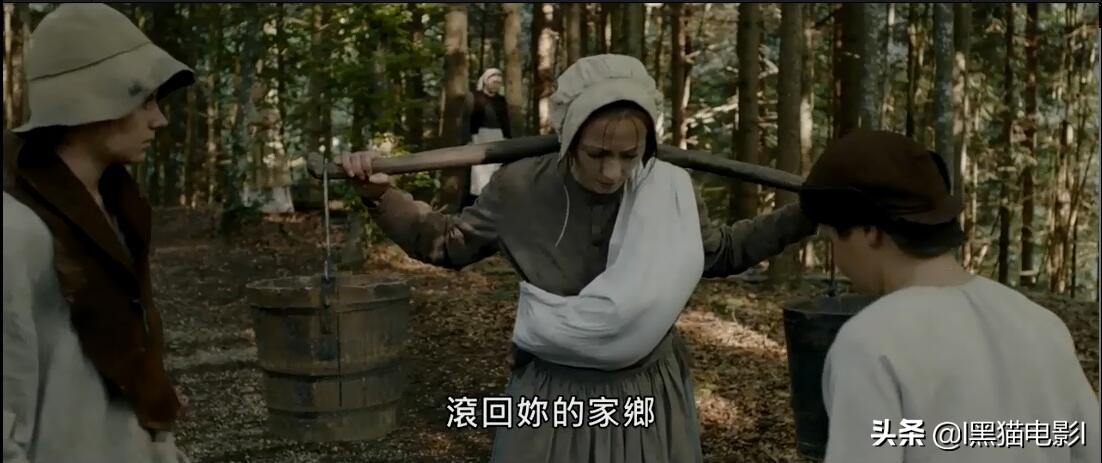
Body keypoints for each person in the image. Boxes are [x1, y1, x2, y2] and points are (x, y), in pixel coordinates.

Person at [339, 54, 817, 463]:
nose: (612, 172)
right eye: (597, 153)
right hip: (553, 393)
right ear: (569, 138)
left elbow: (722, 252)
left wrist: (808, 213)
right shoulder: (520, 188)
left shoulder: (668, 189)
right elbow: (444, 243)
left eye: (629, 155)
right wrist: (379, 195)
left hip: (647, 392)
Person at [799, 129, 1102, 463]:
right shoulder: (1042, 324)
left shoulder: (869, 344)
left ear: (869, 231)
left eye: (832, 240)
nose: (839, 262)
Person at [3, 4, 195, 463]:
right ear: (92, 101)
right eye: (144, 100)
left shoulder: (117, 207)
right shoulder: (16, 231)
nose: (159, 120)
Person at [466, 68, 512, 201]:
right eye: (494, 82)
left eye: (498, 83)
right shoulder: (475, 96)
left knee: (497, 169)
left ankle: (496, 198)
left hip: (498, 136)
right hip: (480, 136)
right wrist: (471, 138)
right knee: (480, 170)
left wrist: (507, 138)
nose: (496, 85)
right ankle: (479, 199)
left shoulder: (501, 100)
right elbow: (468, 119)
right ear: (486, 81)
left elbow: (505, 120)